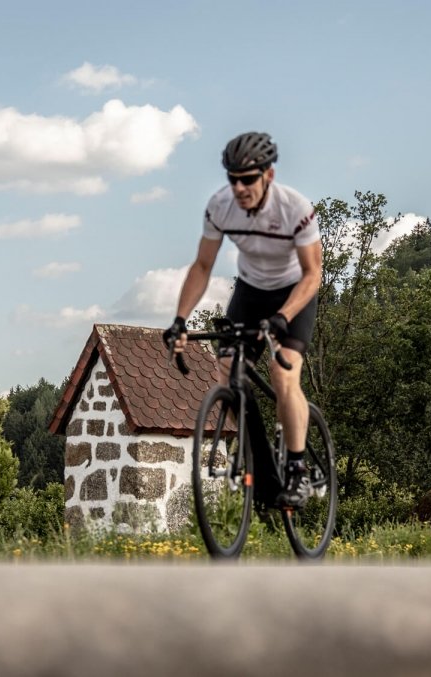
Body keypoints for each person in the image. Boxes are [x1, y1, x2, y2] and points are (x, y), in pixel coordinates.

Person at [162, 131, 321, 509]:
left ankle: (297, 471)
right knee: (226, 369)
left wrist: (284, 316)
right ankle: (258, 458)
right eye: (232, 178)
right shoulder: (219, 207)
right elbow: (203, 266)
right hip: (250, 291)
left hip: (293, 293)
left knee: (283, 373)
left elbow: (313, 273)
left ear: (268, 175)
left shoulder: (294, 208)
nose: (239, 187)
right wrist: (180, 320)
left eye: (247, 179)